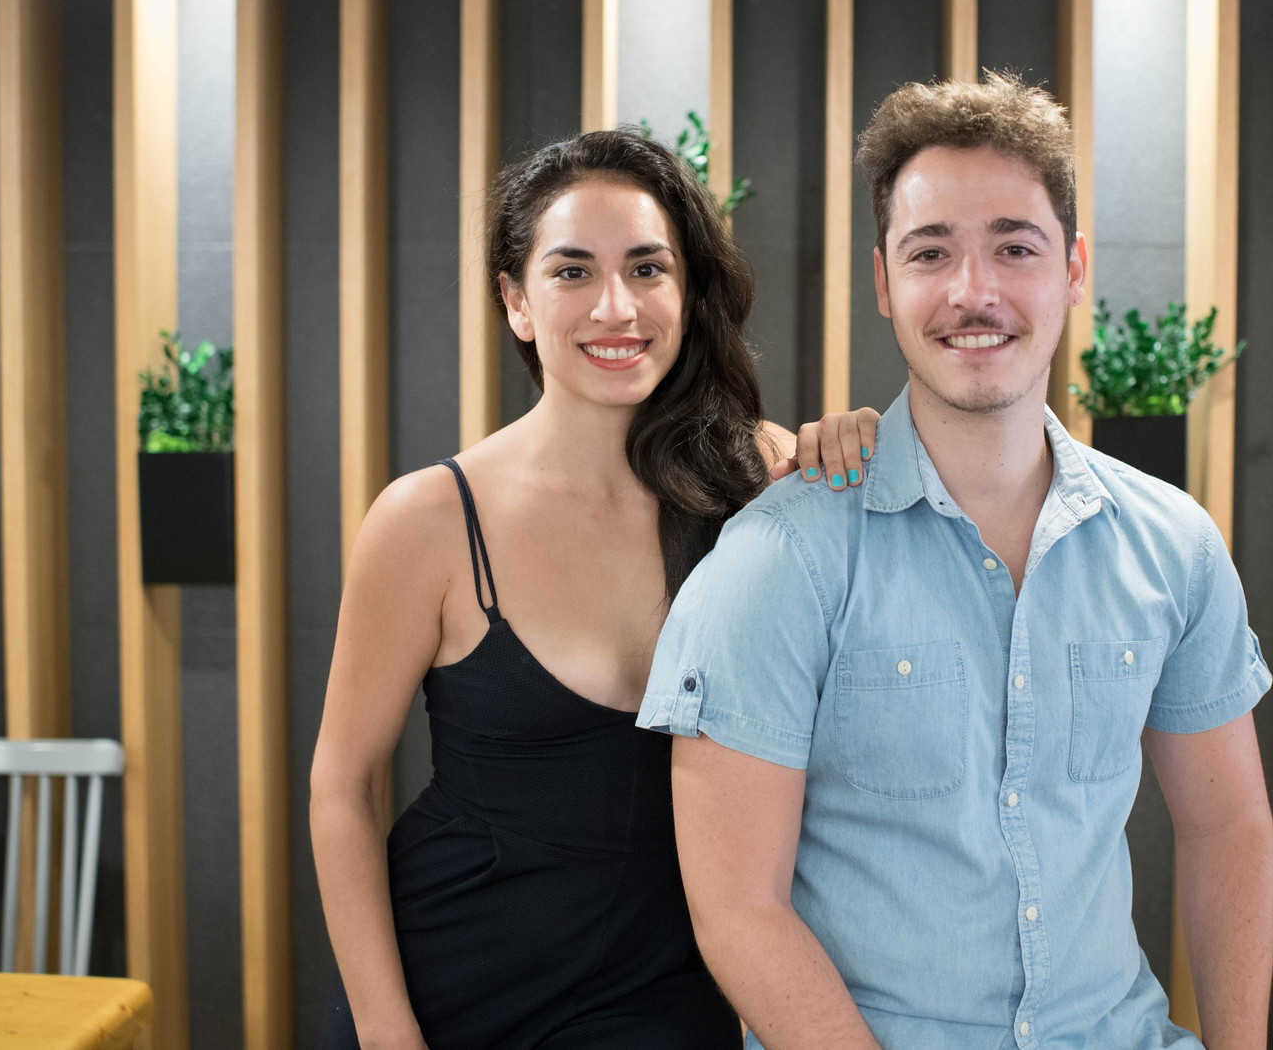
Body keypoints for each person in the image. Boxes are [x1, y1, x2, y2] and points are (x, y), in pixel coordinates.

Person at [639, 73, 1273, 1050]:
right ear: (884, 283)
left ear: (1071, 269)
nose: (973, 291)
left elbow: (1227, 827)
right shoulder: (779, 561)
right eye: (930, 252)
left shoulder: (1174, 544)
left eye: (1013, 248)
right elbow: (738, 912)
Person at [310, 128, 879, 1050]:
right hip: (447, 989)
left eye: (648, 269)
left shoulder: (766, 483)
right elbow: (341, 786)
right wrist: (386, 1032)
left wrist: (848, 448)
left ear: (688, 293)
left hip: (665, 1000)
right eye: (572, 272)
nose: (616, 307)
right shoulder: (427, 519)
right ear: (517, 302)